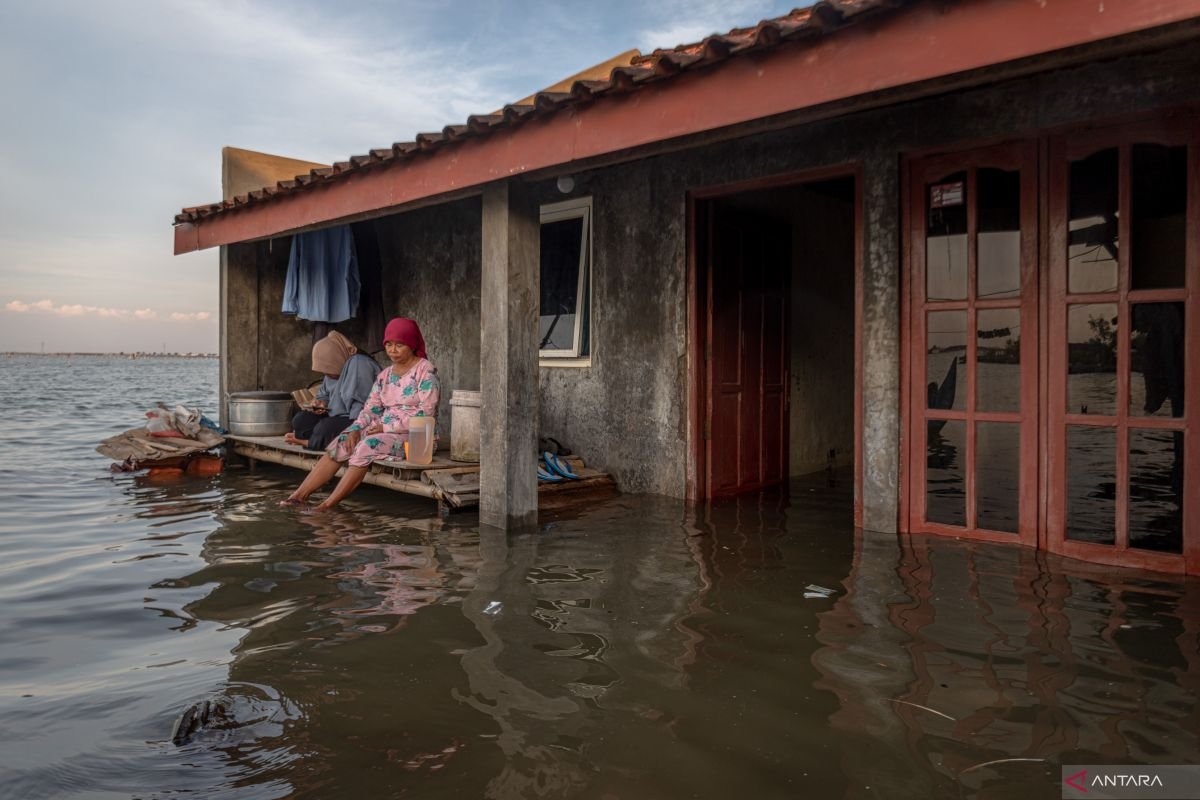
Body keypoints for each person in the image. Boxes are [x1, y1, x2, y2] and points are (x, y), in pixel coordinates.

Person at [282, 318, 439, 510]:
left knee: (367, 445)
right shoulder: (385, 375)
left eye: (400, 345)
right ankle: (298, 496)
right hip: (382, 431)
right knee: (343, 440)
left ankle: (326, 505)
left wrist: (386, 427)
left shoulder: (425, 372)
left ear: (412, 344)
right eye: (389, 344)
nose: (393, 350)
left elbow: (426, 412)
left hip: (416, 439)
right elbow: (370, 409)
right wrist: (355, 429)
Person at [285, 331, 379, 451]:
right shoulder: (332, 373)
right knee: (301, 419)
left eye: (329, 369)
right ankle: (316, 439)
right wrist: (321, 403)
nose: (327, 374)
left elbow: (361, 403)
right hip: (335, 416)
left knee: (324, 428)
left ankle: (309, 442)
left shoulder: (359, 364)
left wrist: (356, 427)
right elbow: (324, 393)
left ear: (337, 358)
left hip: (359, 419)